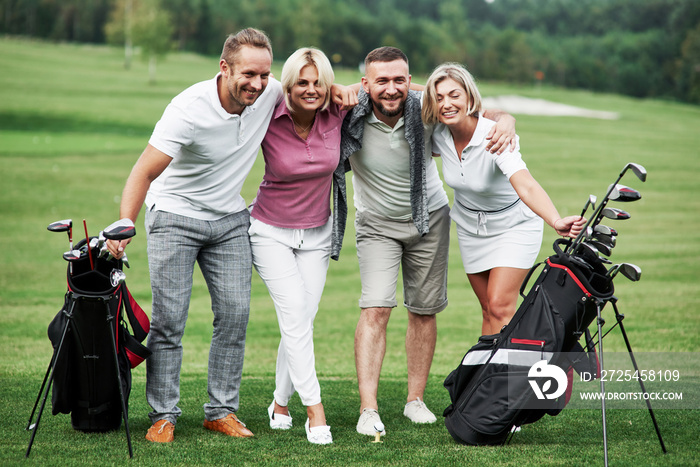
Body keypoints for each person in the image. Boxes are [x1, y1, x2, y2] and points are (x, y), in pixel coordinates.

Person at [105, 29, 356, 444]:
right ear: (224, 68)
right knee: (170, 320)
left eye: (263, 74)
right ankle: (163, 415)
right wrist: (125, 222)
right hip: (175, 216)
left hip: (230, 220)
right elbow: (144, 171)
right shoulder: (188, 109)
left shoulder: (272, 92)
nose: (256, 83)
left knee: (236, 315)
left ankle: (220, 410)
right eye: (248, 74)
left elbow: (314, 88)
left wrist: (342, 89)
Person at [333, 47, 517, 436]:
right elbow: (314, 98)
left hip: (429, 220)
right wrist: (343, 90)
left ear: (410, 80)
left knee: (423, 310)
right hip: (376, 224)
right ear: (365, 83)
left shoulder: (426, 108)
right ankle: (368, 409)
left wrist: (508, 120)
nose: (392, 88)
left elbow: (480, 112)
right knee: (376, 308)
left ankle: (414, 400)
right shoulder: (350, 113)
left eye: (400, 79)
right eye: (381, 81)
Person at [421, 62, 585, 336]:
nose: (446, 104)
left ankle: (510, 376)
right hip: (471, 230)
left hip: (514, 226)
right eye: (438, 98)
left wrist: (555, 220)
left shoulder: (495, 135)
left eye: (454, 95)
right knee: (488, 309)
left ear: (470, 97)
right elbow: (410, 91)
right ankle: (491, 375)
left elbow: (526, 185)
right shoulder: (438, 134)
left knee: (500, 306)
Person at [249, 47, 355, 445]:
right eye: (301, 83)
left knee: (300, 322)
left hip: (317, 234)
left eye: (318, 82)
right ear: (287, 85)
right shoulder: (267, 113)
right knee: (295, 314)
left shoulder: (338, 111)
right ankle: (315, 410)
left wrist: (498, 112)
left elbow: (397, 90)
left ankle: (279, 402)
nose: (310, 90)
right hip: (269, 232)